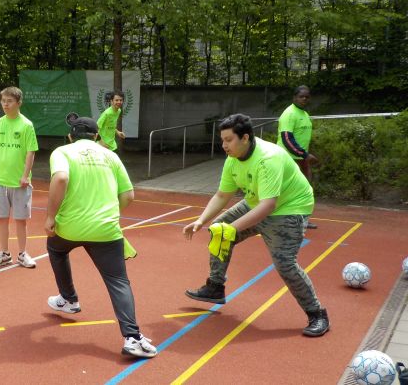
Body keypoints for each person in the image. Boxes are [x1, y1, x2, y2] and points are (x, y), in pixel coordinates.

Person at [183, 114, 329, 337]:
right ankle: (215, 286)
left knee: (285, 264)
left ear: (245, 138)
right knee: (219, 227)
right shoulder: (233, 159)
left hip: (289, 208)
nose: (224, 146)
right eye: (222, 140)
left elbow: (268, 206)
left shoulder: (268, 158)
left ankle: (317, 314)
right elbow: (222, 195)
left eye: (228, 140)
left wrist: (232, 230)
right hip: (257, 201)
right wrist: (201, 220)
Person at [44, 113, 157, 358]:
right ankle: (132, 337)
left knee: (56, 249)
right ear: (96, 136)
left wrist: (50, 216)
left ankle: (69, 299)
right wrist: (107, 215)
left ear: (70, 136)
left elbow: (61, 177)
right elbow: (128, 196)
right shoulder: (111, 155)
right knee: (118, 281)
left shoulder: (62, 152)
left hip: (69, 228)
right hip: (106, 230)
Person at [0, 87, 38, 269]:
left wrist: (25, 175)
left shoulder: (26, 125)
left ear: (19, 103)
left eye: (9, 101)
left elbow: (31, 152)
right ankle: (4, 253)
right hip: (0, 180)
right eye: (3, 101)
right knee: (1, 218)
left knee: (21, 219)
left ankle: (23, 254)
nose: (5, 104)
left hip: (19, 181)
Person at [277, 85, 318, 229]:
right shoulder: (289, 113)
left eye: (307, 97)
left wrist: (304, 156)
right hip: (288, 159)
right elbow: (287, 139)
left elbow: (302, 138)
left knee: (305, 189)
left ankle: (302, 219)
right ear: (294, 97)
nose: (304, 99)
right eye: (301, 96)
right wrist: (305, 155)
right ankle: (281, 219)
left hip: (301, 159)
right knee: (288, 190)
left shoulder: (305, 114)